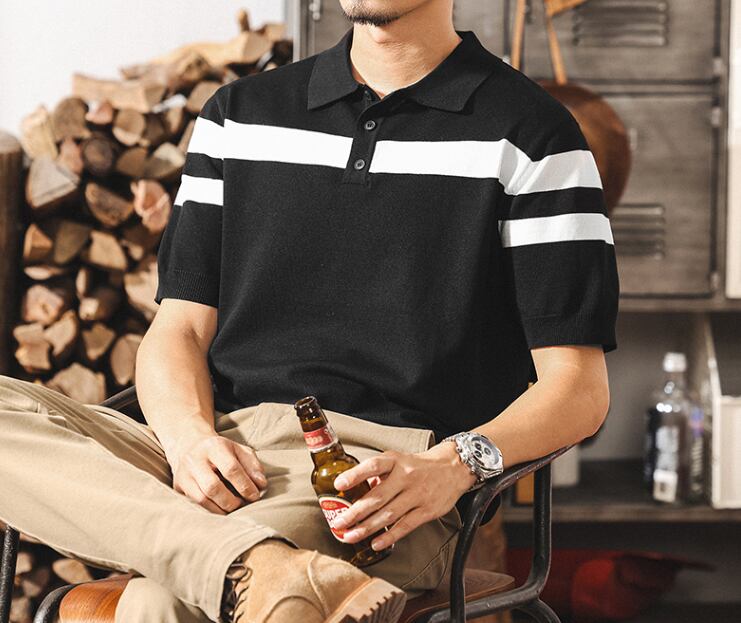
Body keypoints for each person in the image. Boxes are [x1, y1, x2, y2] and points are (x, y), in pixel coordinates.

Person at [0, 1, 619, 621]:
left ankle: (228, 562)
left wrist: (453, 466)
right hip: (216, 446)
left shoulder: (535, 136)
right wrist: (189, 440)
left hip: (367, 479)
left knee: (162, 601)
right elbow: (179, 327)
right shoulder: (238, 115)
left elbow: (579, 389)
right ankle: (249, 563)